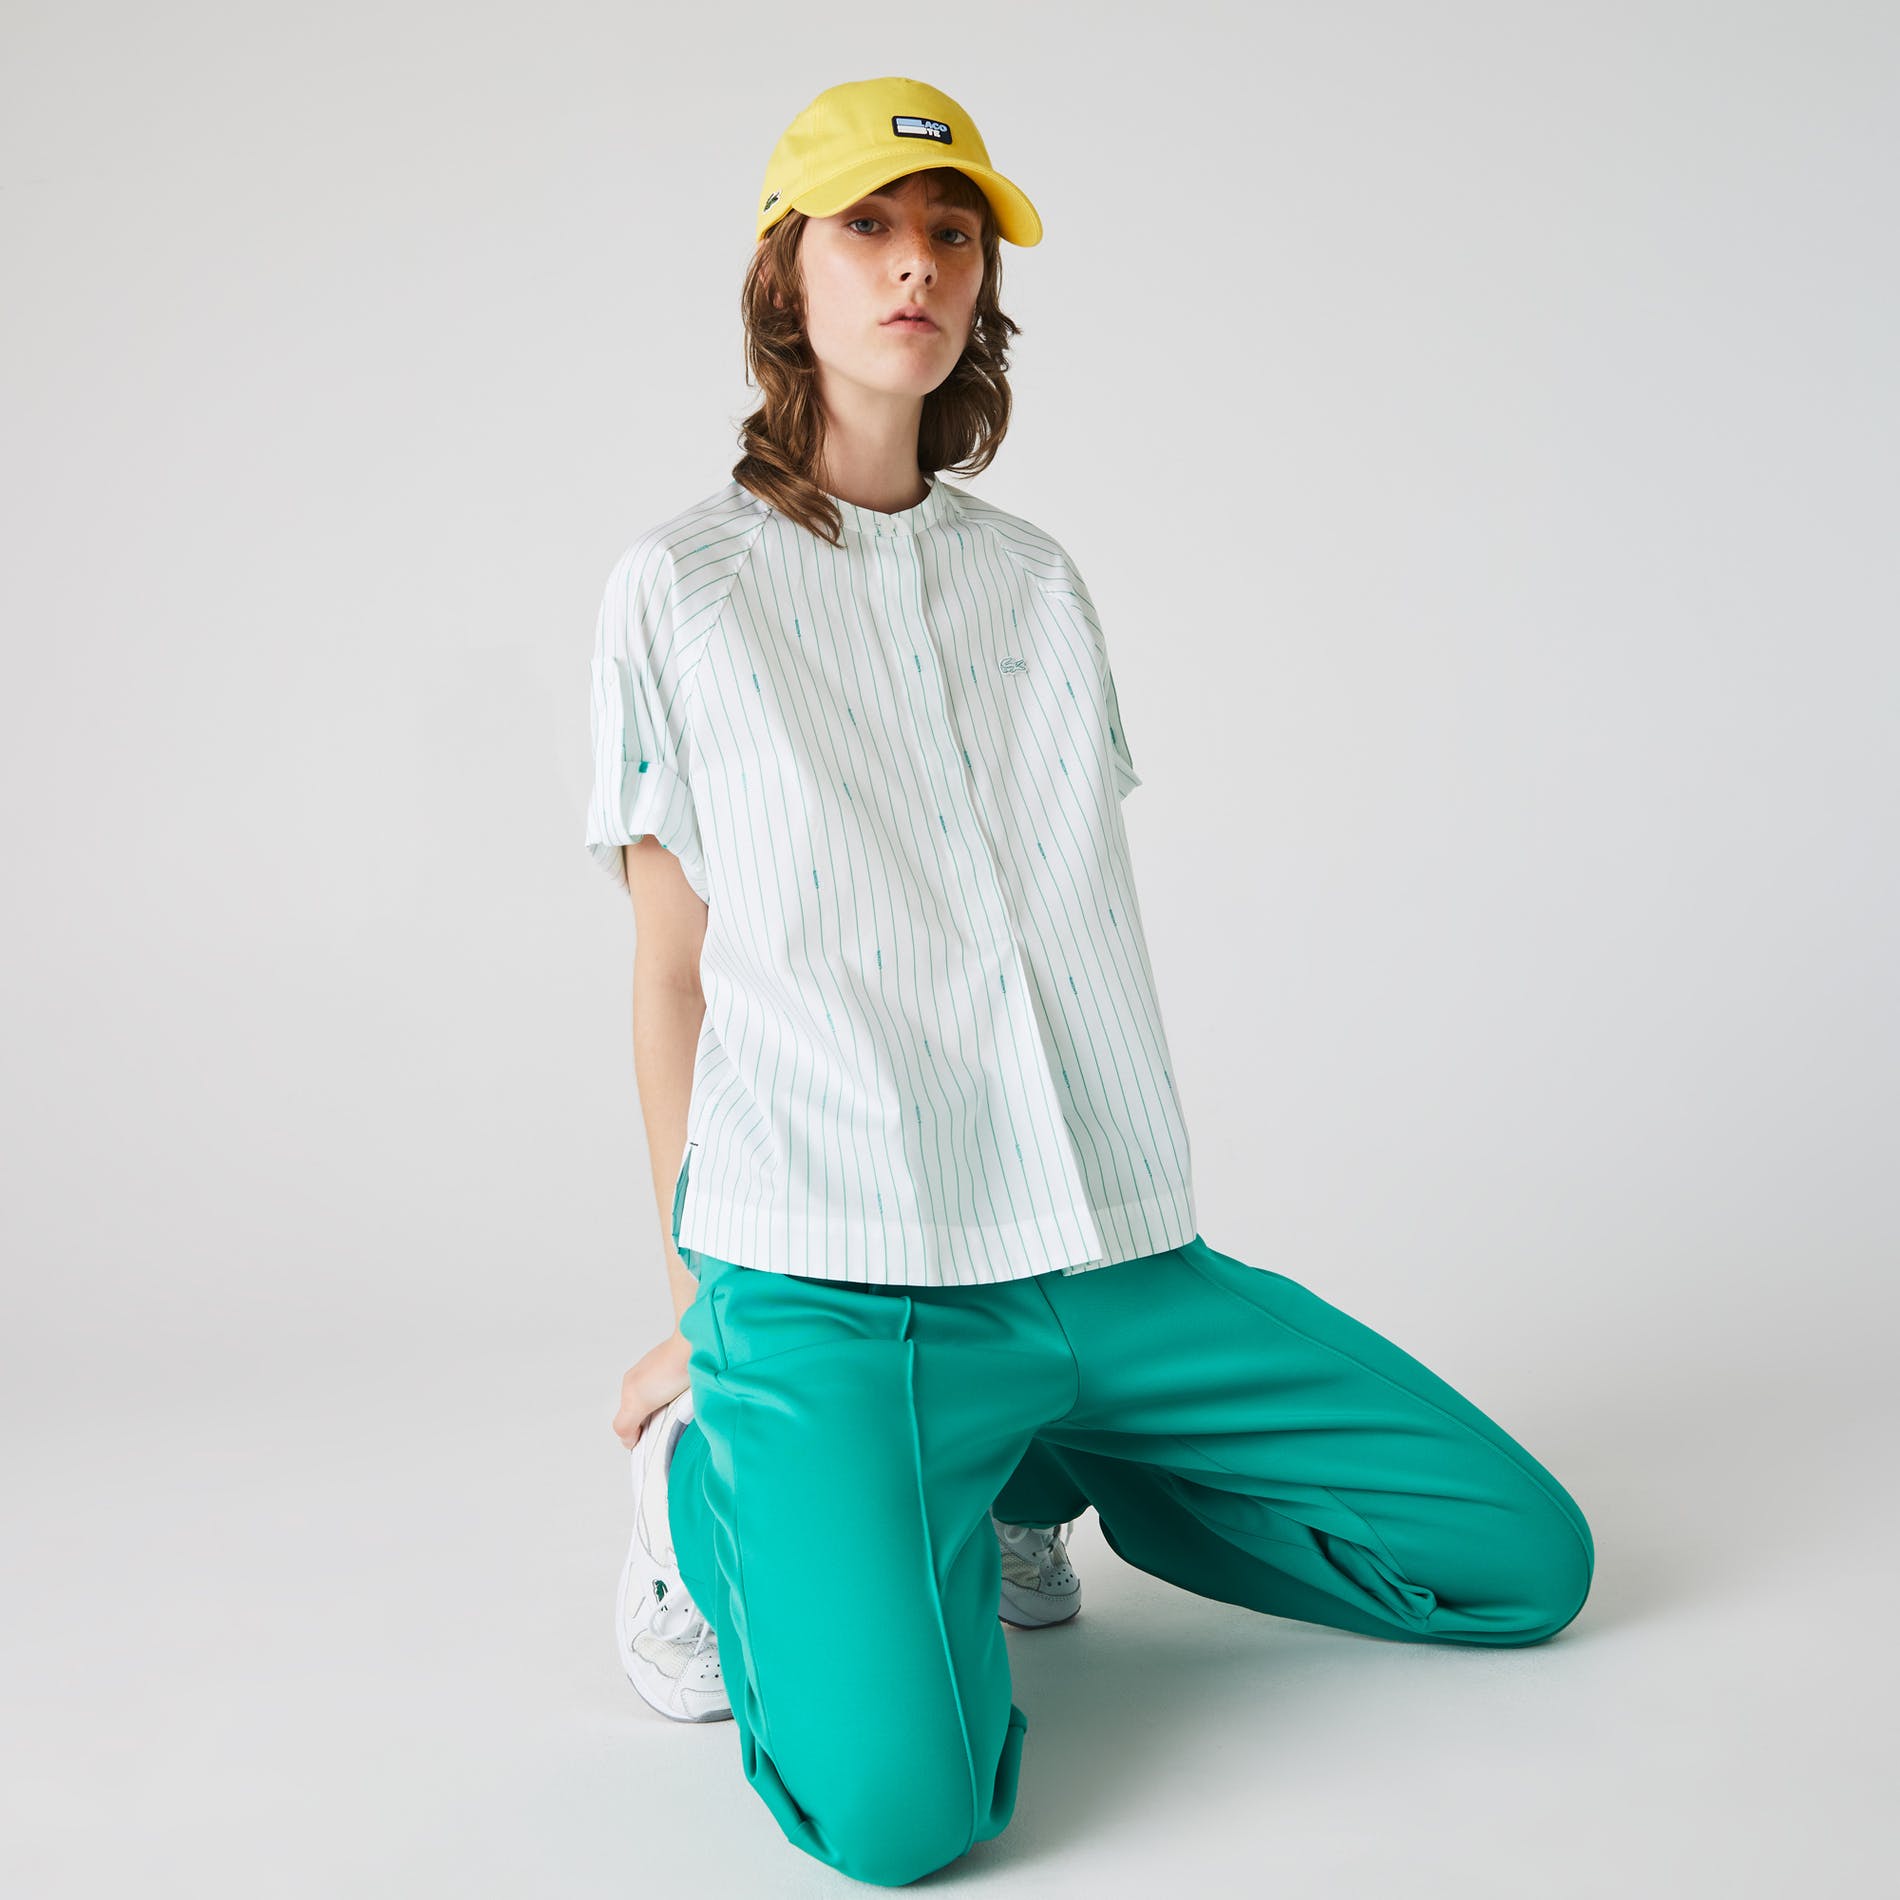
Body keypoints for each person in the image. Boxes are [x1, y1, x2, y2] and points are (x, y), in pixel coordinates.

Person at [586, 75, 1594, 1890]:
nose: (916, 265)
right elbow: (674, 982)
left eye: (950, 233)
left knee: (1521, 1563)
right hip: (843, 1282)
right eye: (869, 229)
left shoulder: (1039, 586)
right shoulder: (680, 590)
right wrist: (705, 1313)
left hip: (1102, 1248)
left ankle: (1021, 1474)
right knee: (906, 1822)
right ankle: (704, 1493)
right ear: (786, 276)